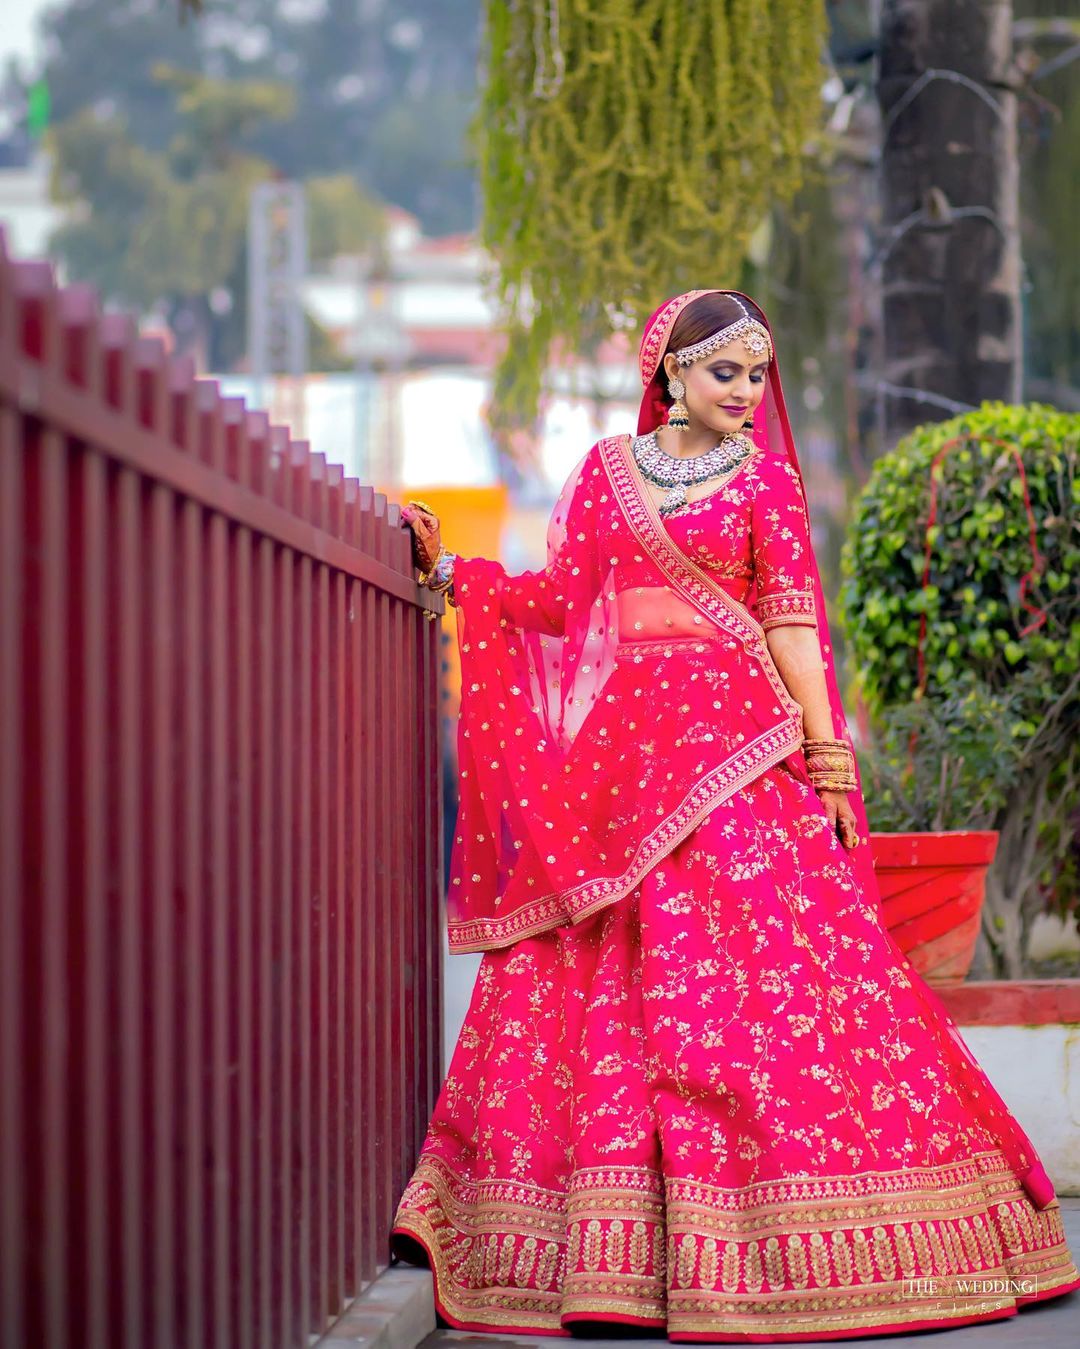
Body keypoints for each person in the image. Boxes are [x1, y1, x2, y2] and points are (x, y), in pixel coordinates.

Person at [390, 289, 1080, 1341]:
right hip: (625, 768)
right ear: (668, 371)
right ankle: (601, 1251)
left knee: (770, 992)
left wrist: (831, 767)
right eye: (725, 373)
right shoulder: (603, 476)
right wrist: (457, 579)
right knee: (604, 979)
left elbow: (794, 628)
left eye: (758, 376)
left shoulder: (766, 482)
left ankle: (787, 1239)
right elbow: (568, 597)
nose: (746, 394)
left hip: (743, 758)